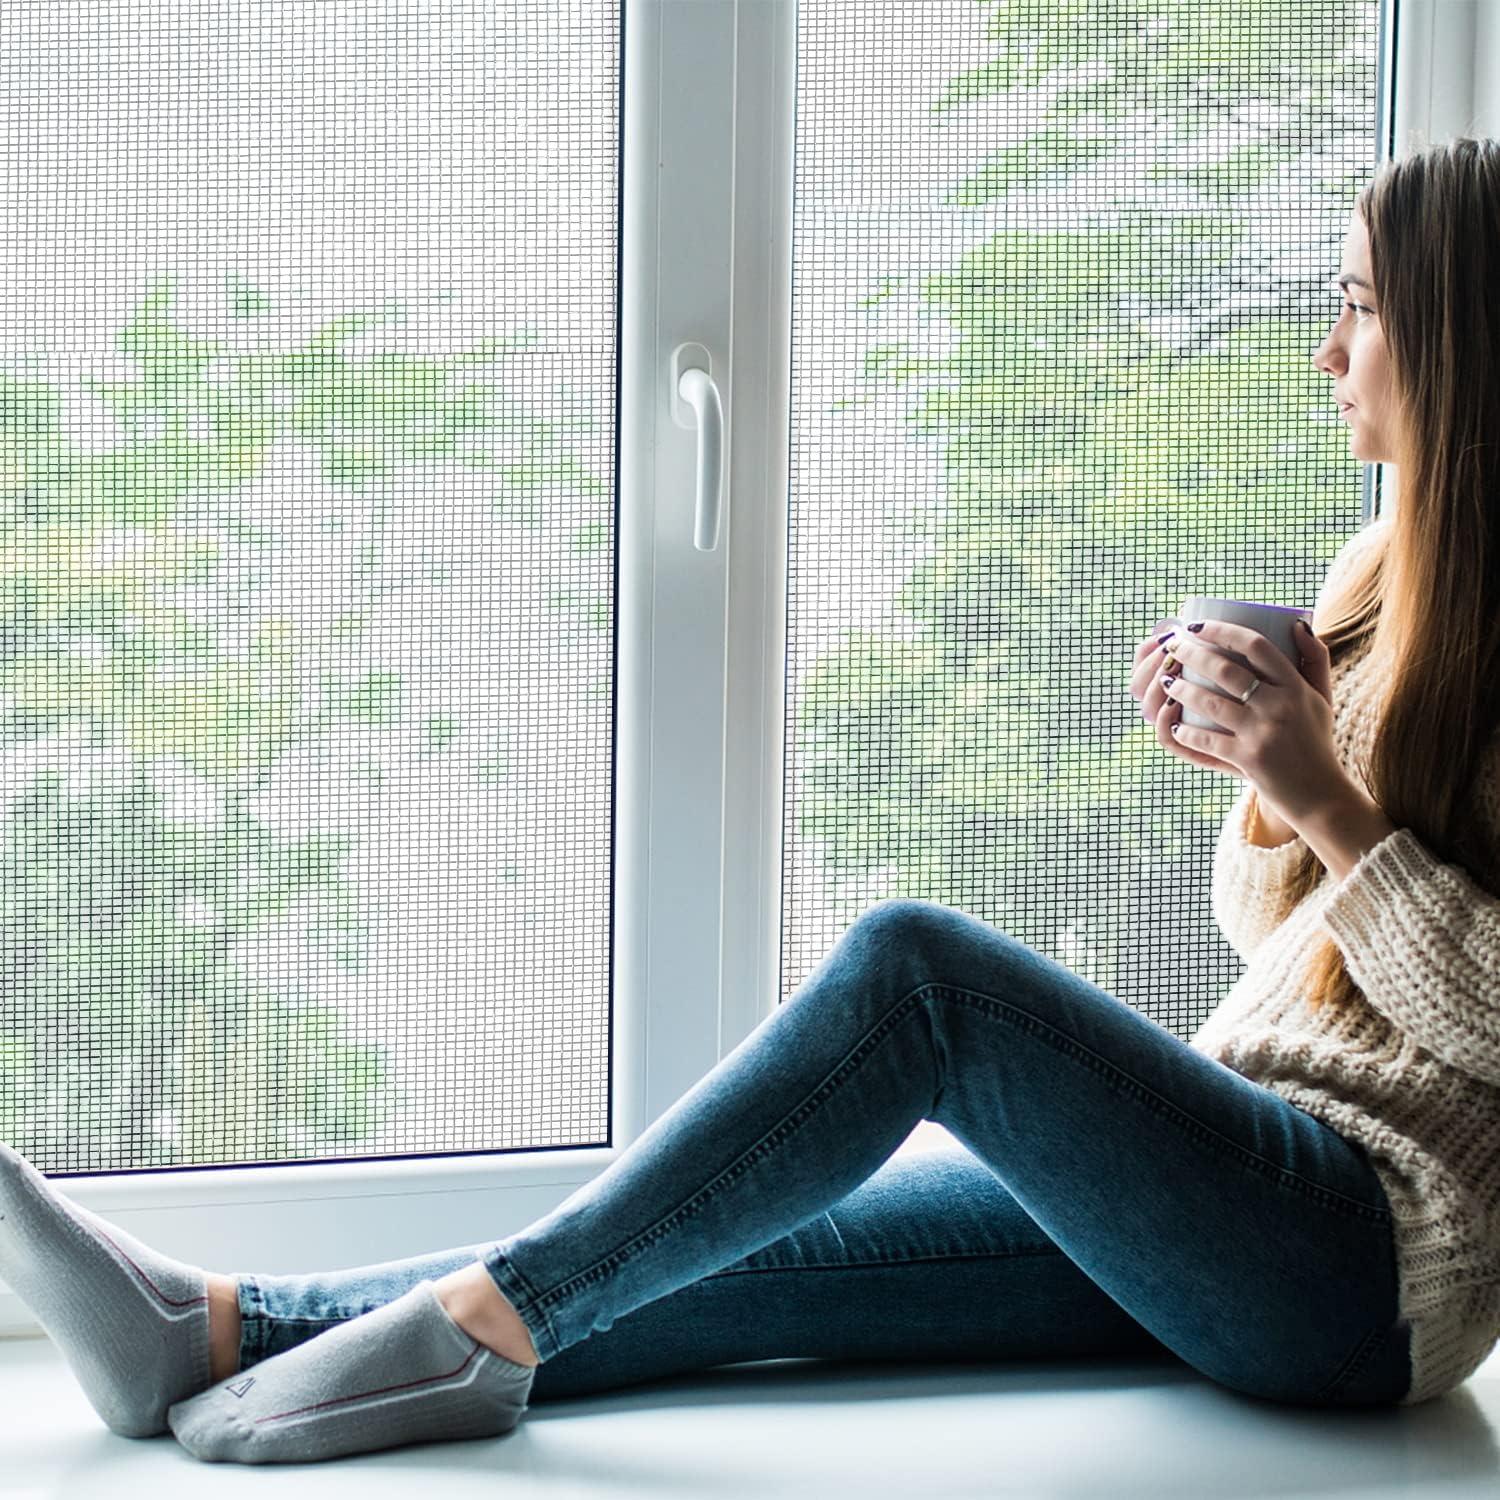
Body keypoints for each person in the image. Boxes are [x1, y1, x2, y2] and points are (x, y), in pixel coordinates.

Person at [4, 137, 1500, 1467]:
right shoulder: (1373, 579)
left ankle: (483, 1326)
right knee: (755, 1238)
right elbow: (1296, 945)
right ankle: (214, 1331)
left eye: (1360, 305)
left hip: (1362, 1271)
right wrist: (1261, 788)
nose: (1327, 350)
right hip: (1249, 1175)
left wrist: (1323, 804)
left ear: (1454, 339)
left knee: (921, 974)